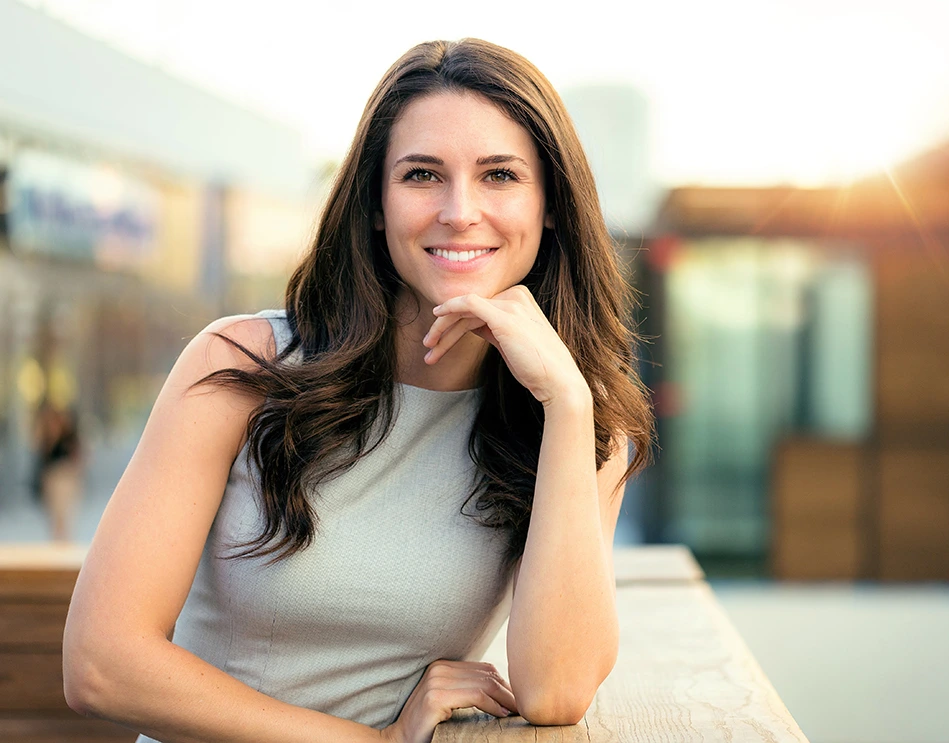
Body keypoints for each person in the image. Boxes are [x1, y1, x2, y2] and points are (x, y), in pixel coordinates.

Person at [63, 38, 654, 743]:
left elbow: (556, 688)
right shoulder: (244, 365)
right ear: (375, 204)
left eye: (499, 175)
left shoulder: (580, 423)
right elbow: (100, 663)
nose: (459, 210)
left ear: (550, 204)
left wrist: (565, 400)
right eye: (421, 175)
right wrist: (369, 742)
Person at [32, 398, 83, 542]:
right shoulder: (47, 435)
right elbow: (41, 454)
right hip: (52, 475)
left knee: (66, 512)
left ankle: (64, 540)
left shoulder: (70, 434)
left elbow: (78, 454)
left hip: (66, 474)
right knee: (54, 513)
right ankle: (58, 540)